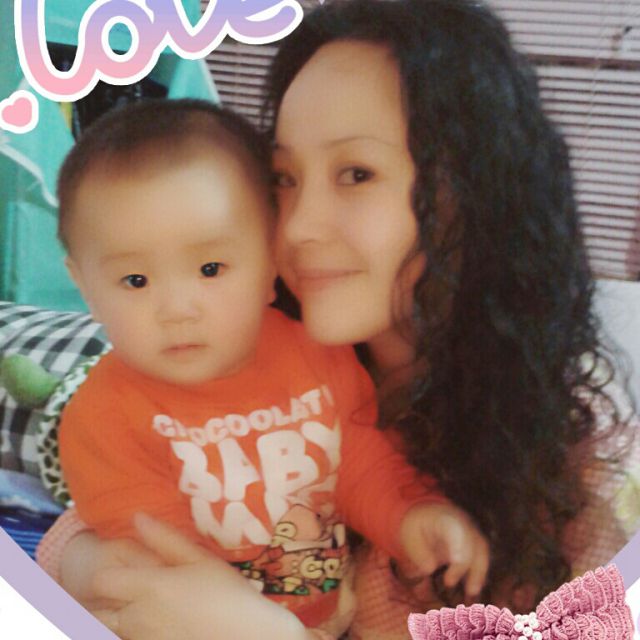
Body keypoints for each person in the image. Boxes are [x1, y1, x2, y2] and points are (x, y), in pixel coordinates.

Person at [37, 1, 636, 639]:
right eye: (284, 177)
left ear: (473, 194)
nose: (298, 226)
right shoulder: (265, 350)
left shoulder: (559, 488)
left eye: (356, 173)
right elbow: (115, 501)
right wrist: (87, 561)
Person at [51, 98, 488, 638]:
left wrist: (411, 516)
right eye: (135, 281)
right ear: (84, 284)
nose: (177, 309)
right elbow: (159, 556)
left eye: (211, 268)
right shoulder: (105, 415)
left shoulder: (315, 355)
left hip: (328, 614)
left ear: (270, 262)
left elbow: (358, 463)